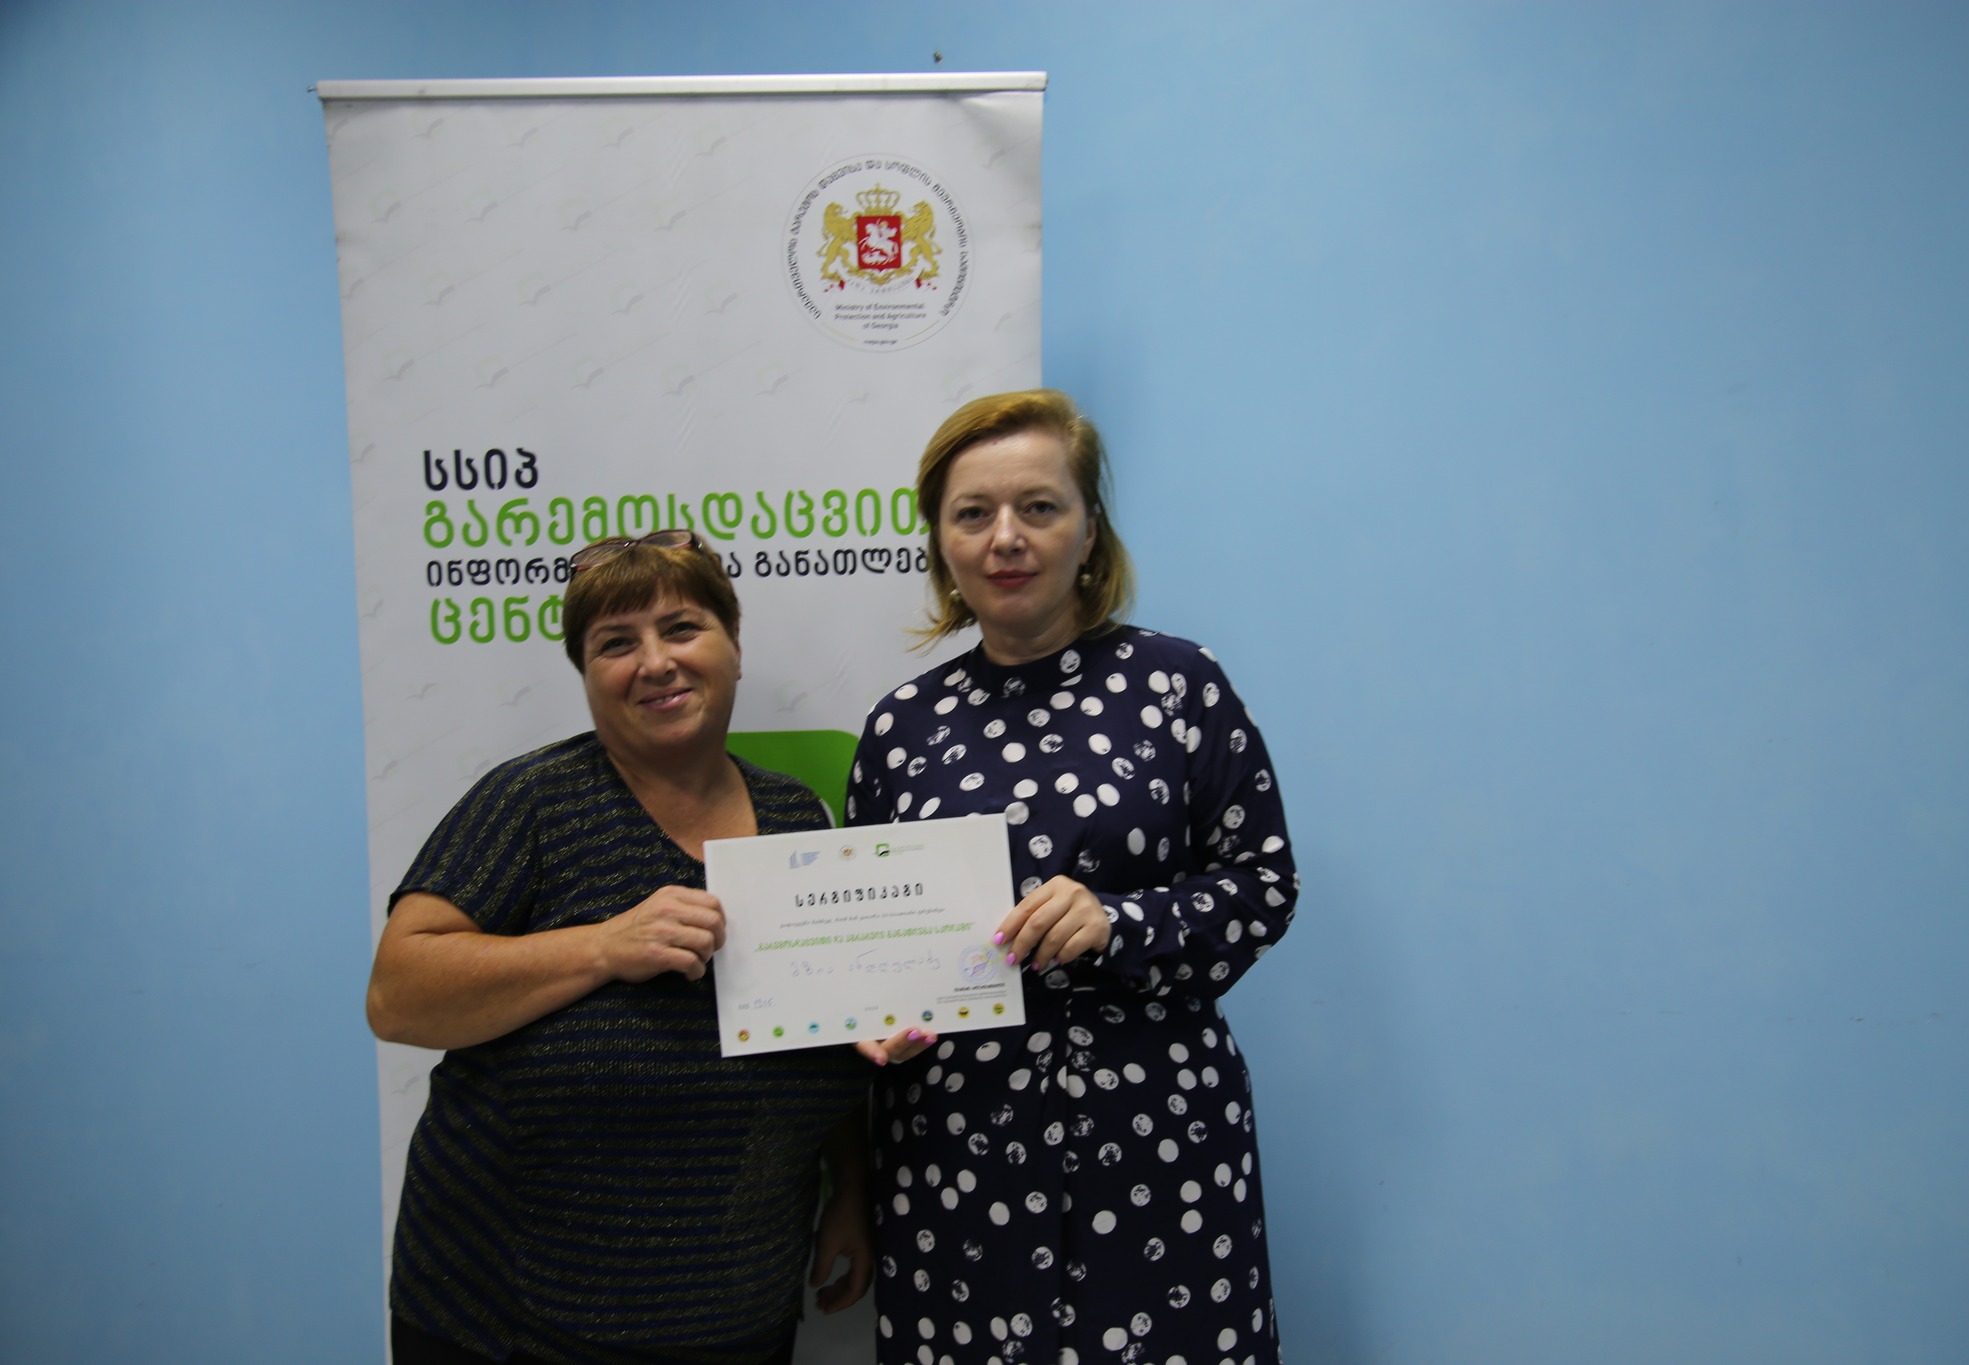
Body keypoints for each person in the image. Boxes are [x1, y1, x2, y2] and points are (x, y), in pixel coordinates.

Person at [367, 530, 925, 1365]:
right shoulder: (532, 801)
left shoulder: (796, 818)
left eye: (682, 628)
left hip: (738, 1311)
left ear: (735, 646)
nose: (655, 662)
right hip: (508, 1318)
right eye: (616, 643)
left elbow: (820, 1021)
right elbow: (397, 995)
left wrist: (849, 1184)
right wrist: (602, 946)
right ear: (586, 673)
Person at [846, 392, 1297, 1365]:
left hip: (1156, 1139)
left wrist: (1121, 922)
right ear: (941, 544)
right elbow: (868, 946)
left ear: (1090, 530)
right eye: (972, 513)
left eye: (1039, 507)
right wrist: (871, 1014)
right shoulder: (899, 728)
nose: (1005, 537)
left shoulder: (1180, 686)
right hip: (955, 1153)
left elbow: (1263, 886)